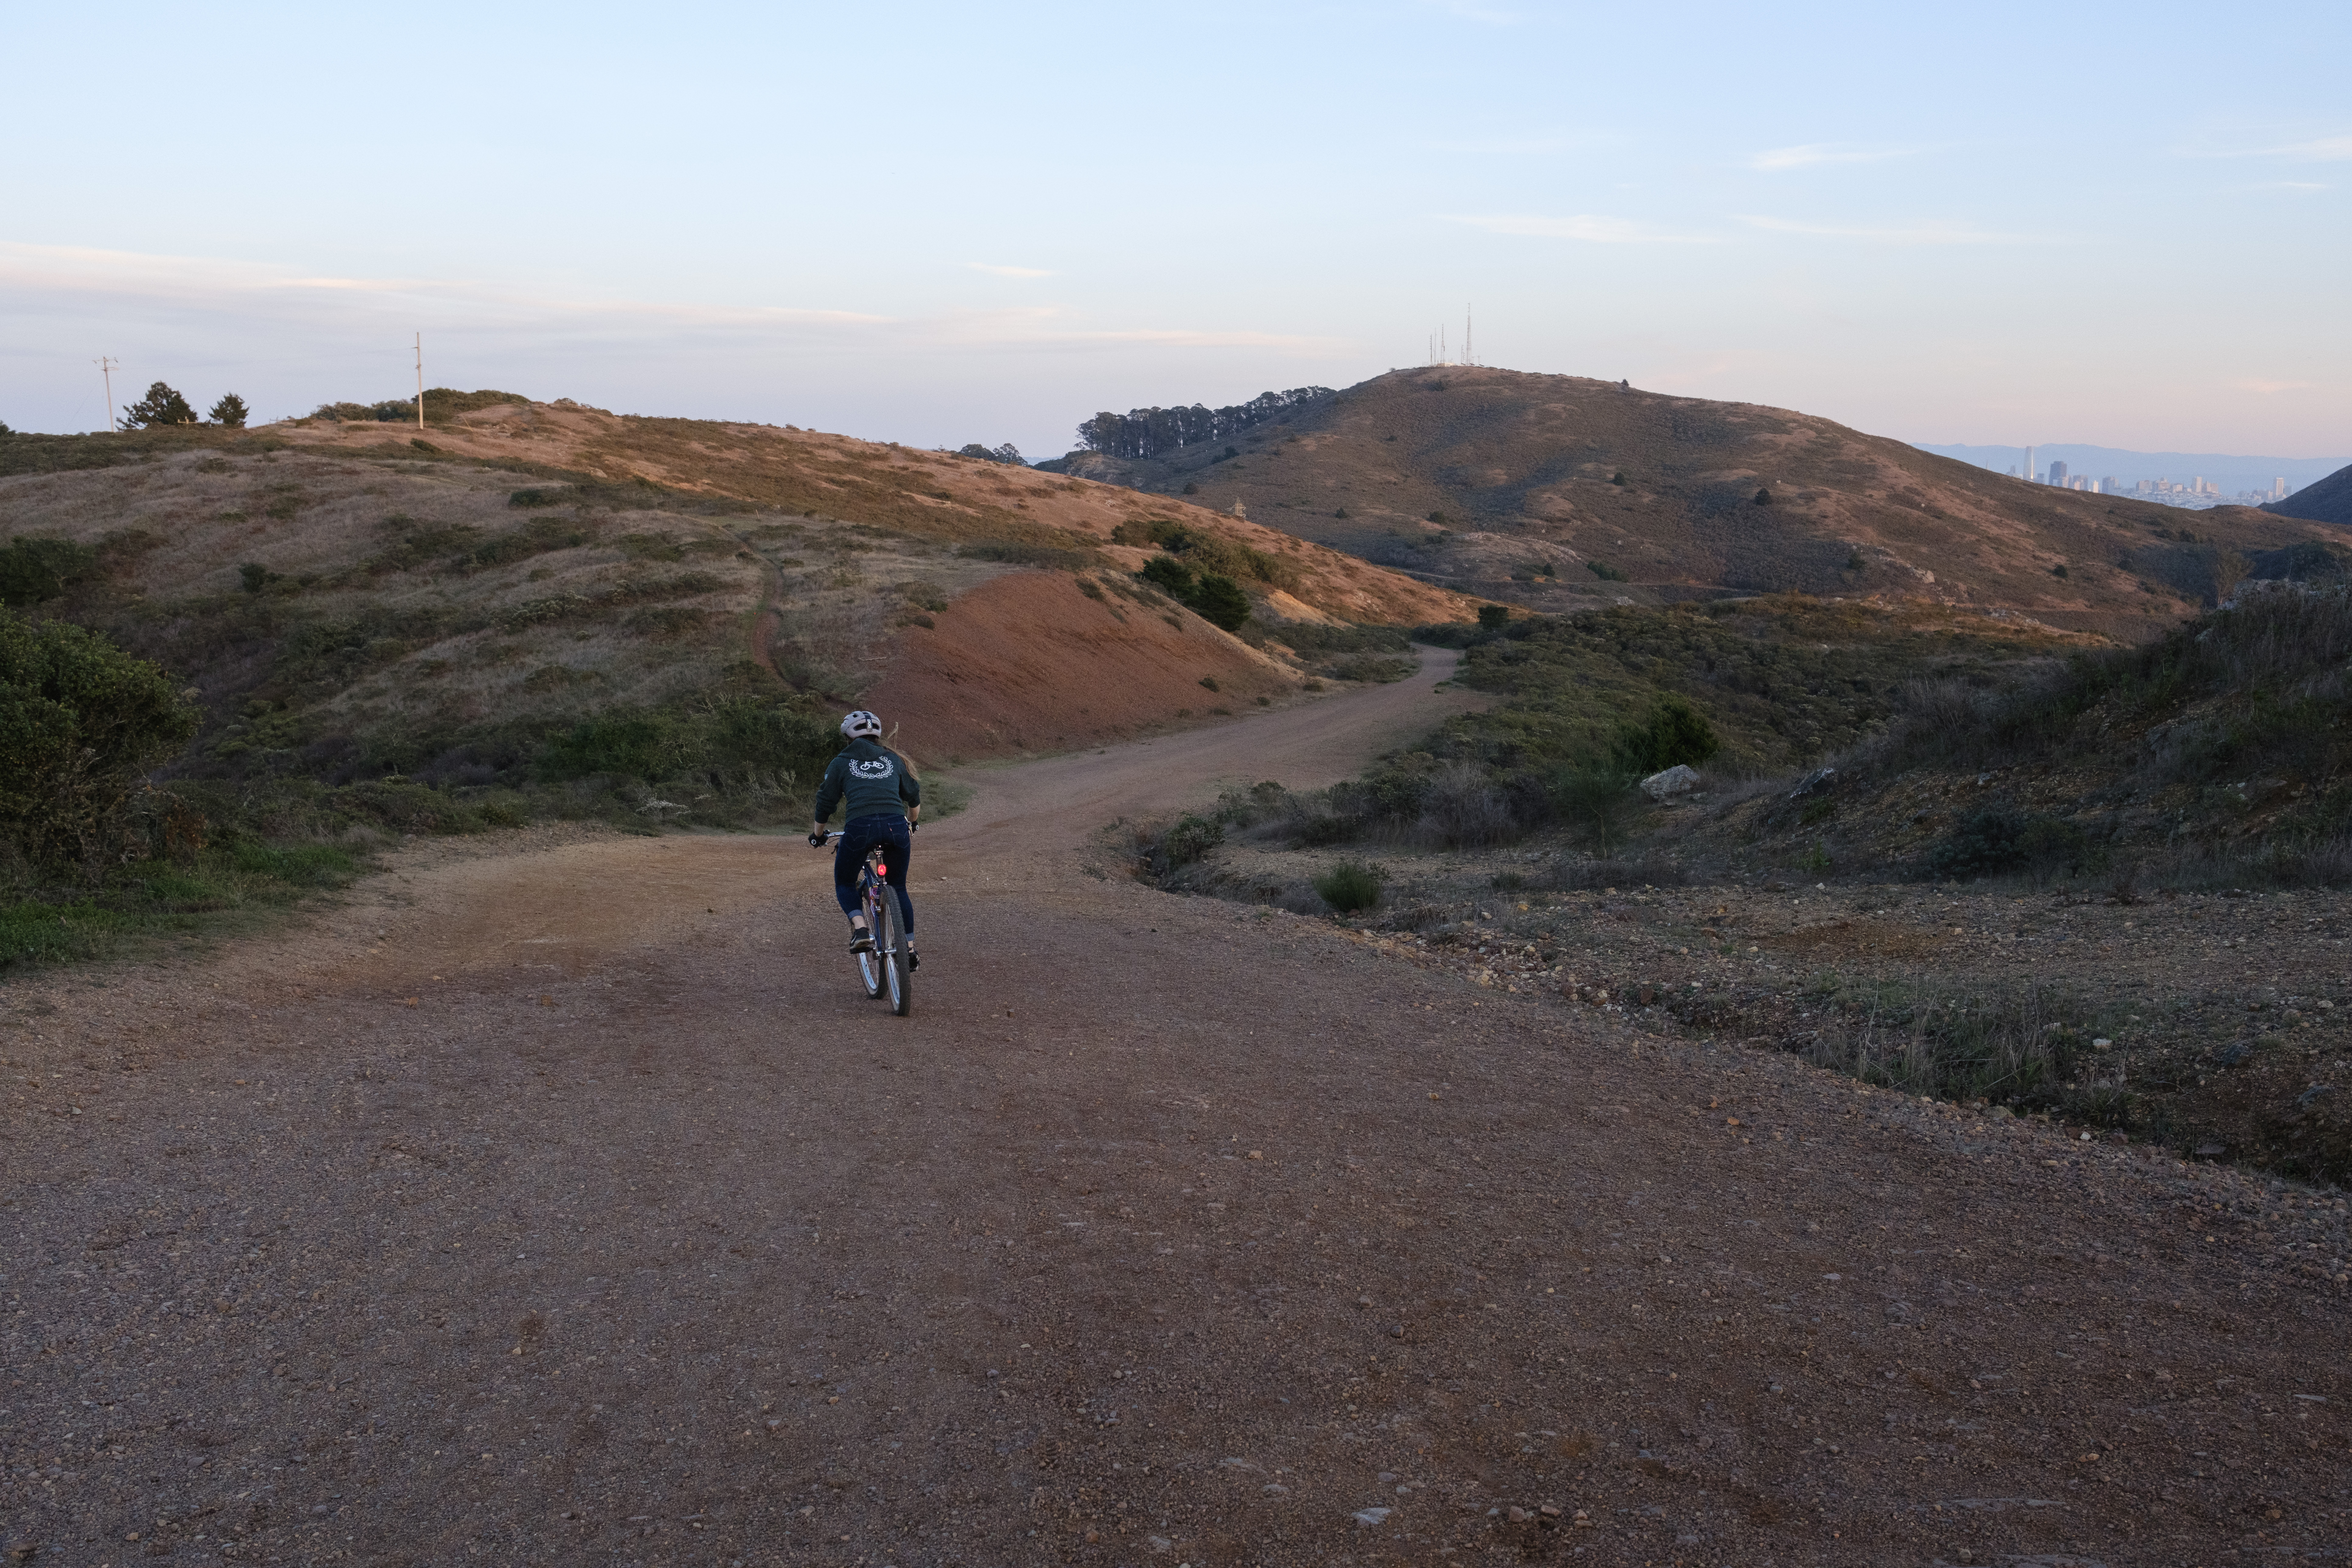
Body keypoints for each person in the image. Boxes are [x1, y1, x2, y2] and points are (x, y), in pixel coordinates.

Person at [808, 710, 921, 964]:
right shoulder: (894, 759)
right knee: (899, 887)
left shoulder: (841, 762)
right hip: (896, 827)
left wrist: (818, 836)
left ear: (848, 737)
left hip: (860, 829)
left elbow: (825, 802)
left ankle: (861, 930)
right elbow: (913, 798)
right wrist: (913, 824)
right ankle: (911, 949)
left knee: (845, 882)